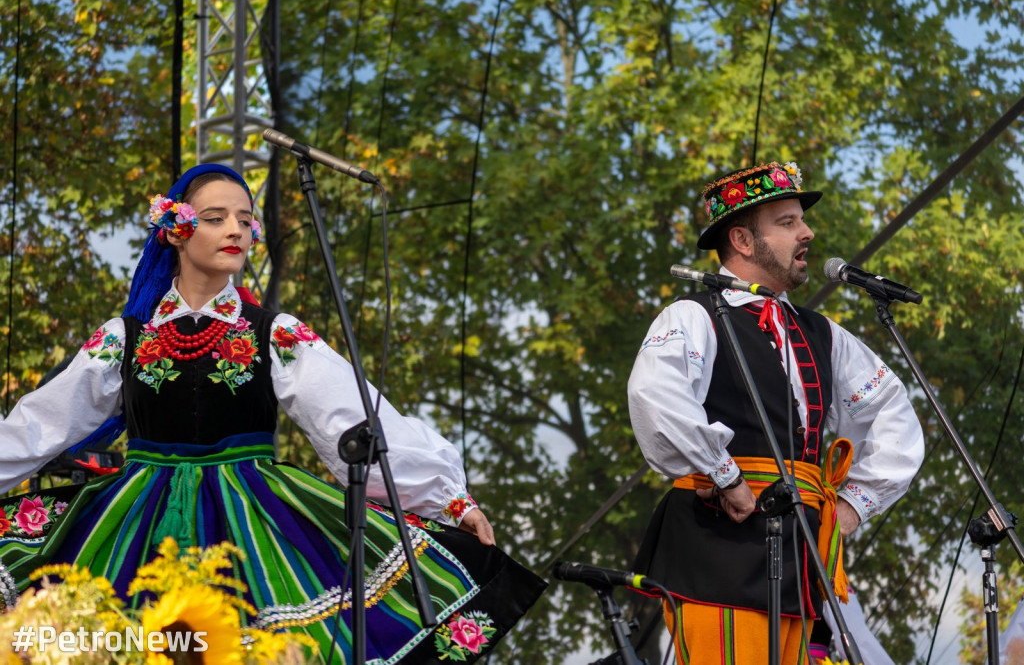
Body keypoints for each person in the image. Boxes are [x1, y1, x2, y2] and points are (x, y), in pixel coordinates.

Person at [0, 164, 545, 662]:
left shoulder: (274, 334)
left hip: (253, 520)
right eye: (215, 218)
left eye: (245, 218)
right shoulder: (126, 339)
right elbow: (37, 426)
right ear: (175, 230)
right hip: (134, 521)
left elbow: (353, 421)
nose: (235, 229)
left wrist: (448, 499)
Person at [628, 161, 924, 663]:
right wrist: (725, 476)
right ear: (742, 241)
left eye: (800, 221)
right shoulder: (694, 315)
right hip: (718, 550)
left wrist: (852, 505)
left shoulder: (823, 333)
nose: (806, 232)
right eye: (787, 223)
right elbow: (656, 396)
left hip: (800, 555)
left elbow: (892, 414)